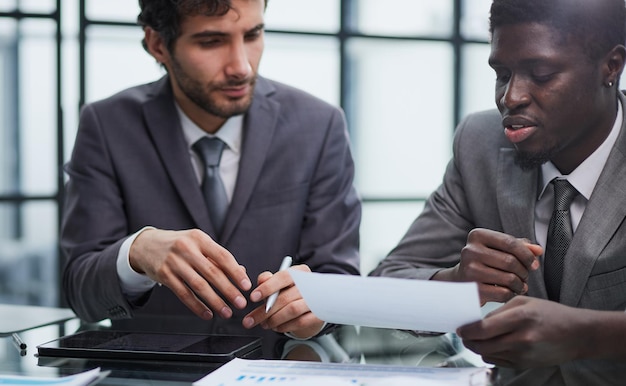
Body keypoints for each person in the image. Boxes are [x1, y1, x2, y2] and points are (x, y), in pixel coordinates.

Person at [61, 0, 360, 341]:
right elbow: (79, 291)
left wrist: (318, 304)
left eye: (253, 34)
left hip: (278, 369)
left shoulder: (319, 126)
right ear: (158, 44)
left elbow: (340, 277)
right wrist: (135, 253)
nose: (241, 67)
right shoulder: (106, 126)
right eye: (211, 41)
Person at [371, 0, 626, 383]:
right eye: (502, 73)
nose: (511, 97)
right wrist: (455, 283)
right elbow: (384, 285)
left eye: (540, 74)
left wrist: (587, 335)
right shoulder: (480, 144)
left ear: (611, 67)